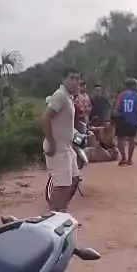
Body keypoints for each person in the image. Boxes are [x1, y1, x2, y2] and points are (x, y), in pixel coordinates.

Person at [42, 68, 81, 212]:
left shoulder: (69, 97)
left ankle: (61, 210)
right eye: (72, 78)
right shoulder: (60, 96)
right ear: (63, 80)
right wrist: (51, 142)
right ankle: (54, 214)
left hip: (67, 147)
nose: (75, 82)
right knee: (62, 185)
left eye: (77, 79)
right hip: (58, 148)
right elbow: (45, 118)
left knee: (74, 179)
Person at [113, 78, 137, 166]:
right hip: (133, 120)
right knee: (131, 139)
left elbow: (117, 108)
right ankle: (129, 159)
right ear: (134, 86)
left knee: (120, 139)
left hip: (122, 119)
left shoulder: (121, 95)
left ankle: (123, 157)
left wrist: (115, 116)